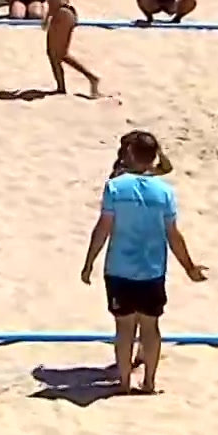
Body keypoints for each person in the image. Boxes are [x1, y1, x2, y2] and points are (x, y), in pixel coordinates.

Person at [79, 130, 207, 396]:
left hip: (119, 268)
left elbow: (103, 228)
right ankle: (149, 382)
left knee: (124, 328)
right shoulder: (165, 192)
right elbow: (173, 235)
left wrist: (89, 261)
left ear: (129, 153)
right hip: (152, 269)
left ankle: (124, 382)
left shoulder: (115, 187)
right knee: (151, 327)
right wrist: (189, 267)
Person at [18, 0, 100, 97]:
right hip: (65, 12)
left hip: (62, 13)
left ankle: (88, 79)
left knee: (56, 54)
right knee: (58, 54)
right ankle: (75, 83)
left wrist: (50, 15)